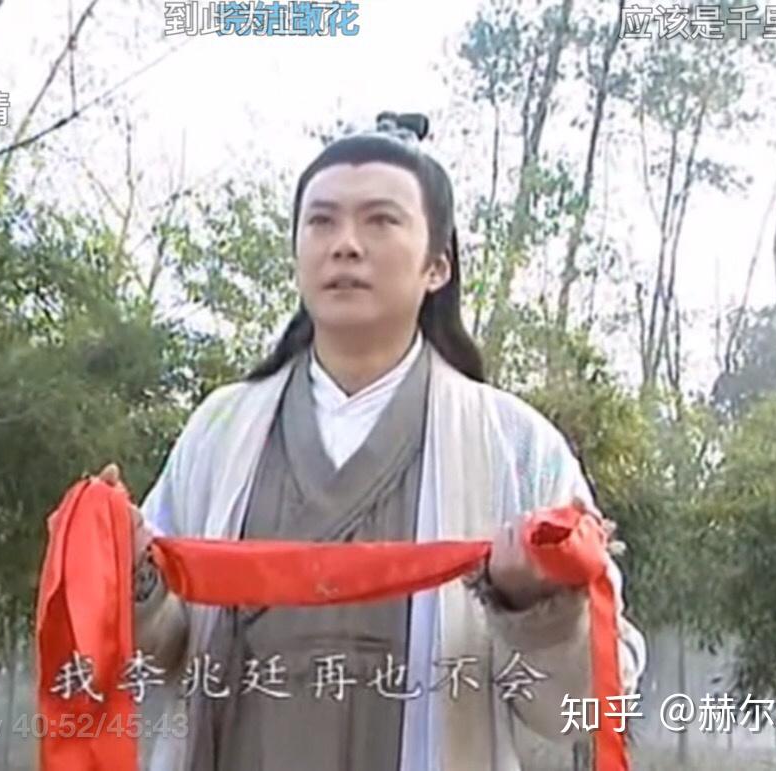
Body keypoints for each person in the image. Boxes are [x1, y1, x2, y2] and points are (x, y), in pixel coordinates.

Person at [95, 111, 646, 771]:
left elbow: (584, 705)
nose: (345, 245)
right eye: (321, 221)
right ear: (296, 253)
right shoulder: (220, 431)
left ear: (437, 265)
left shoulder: (515, 444)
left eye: (380, 221)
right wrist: (133, 576)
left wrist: (536, 607)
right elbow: (159, 653)